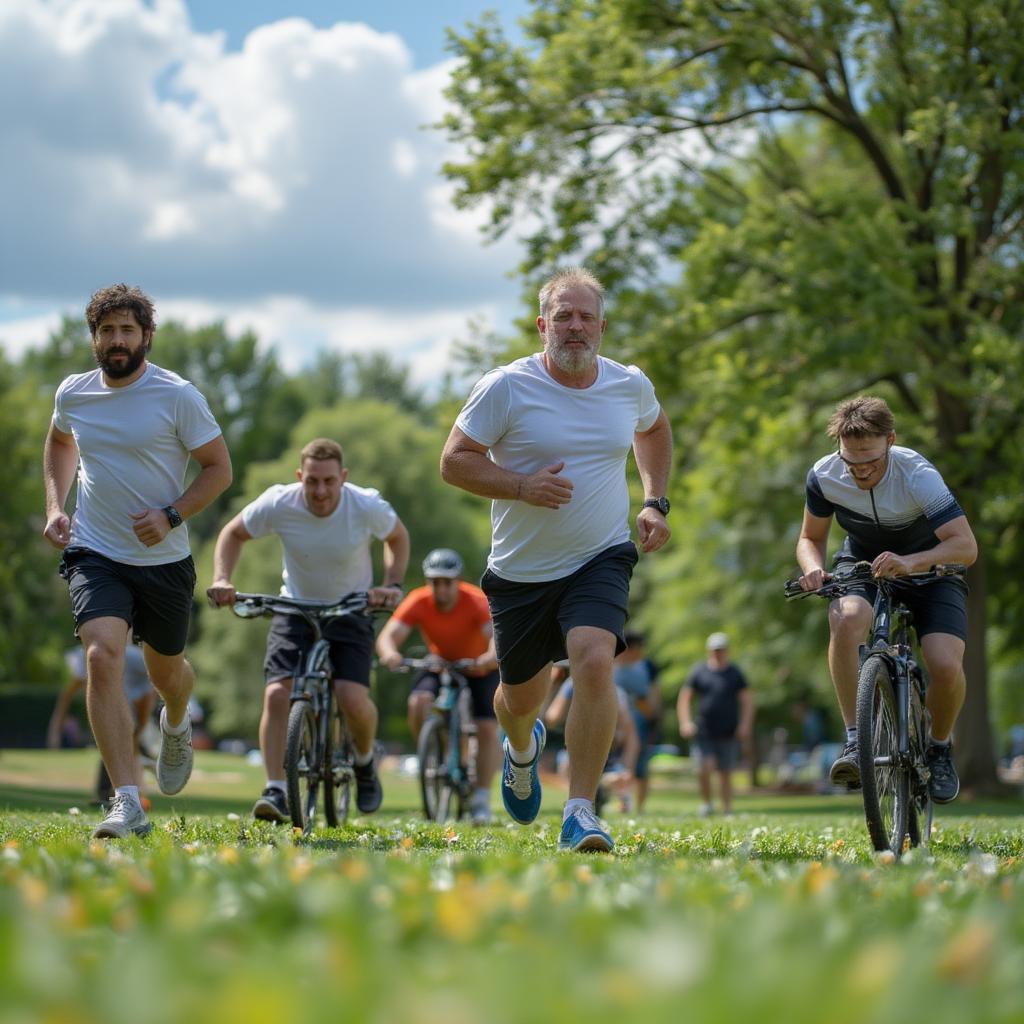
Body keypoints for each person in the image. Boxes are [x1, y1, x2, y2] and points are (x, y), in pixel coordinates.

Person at [440, 266, 673, 852]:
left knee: (596, 659)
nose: (575, 326)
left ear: (602, 326)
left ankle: (580, 810)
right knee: (519, 702)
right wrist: (520, 486)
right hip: (521, 571)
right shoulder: (507, 387)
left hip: (601, 554)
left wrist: (655, 501)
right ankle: (523, 748)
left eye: (585, 316)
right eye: (563, 316)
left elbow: (655, 429)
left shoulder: (628, 384)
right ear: (543, 325)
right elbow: (454, 461)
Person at [42, 283, 232, 839]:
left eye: (127, 329)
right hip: (94, 549)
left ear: (147, 335)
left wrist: (172, 515)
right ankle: (126, 801)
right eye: (107, 331)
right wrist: (57, 505)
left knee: (166, 673)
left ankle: (176, 719)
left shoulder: (177, 396)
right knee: (102, 657)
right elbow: (59, 443)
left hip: (164, 558)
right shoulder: (74, 393)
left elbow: (219, 469)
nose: (117, 340)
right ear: (94, 337)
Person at [207, 437, 409, 823]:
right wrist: (222, 578)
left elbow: (397, 538)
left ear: (343, 478)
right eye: (311, 481)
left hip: (350, 609)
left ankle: (365, 762)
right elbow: (233, 533)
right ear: (300, 476)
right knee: (277, 695)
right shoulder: (280, 502)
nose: (320, 491)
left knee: (352, 698)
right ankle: (276, 789)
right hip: (295, 606)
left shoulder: (364, 504)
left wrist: (393, 584)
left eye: (329, 481)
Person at [795, 396, 978, 802]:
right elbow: (811, 538)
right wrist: (812, 566)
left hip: (932, 566)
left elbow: (965, 546)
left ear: (890, 441)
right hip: (863, 562)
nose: (860, 471)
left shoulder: (918, 475)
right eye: (851, 462)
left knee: (945, 665)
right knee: (846, 618)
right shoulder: (825, 476)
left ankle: (939, 746)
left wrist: (911, 562)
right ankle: (856, 740)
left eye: (871, 462)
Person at [375, 548, 501, 824]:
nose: (440, 588)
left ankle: (480, 798)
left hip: (476, 665)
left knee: (487, 728)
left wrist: (489, 657)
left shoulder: (475, 600)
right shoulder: (418, 600)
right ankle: (432, 749)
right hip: (439, 661)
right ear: (427, 581)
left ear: (458, 581)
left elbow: (493, 637)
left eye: (447, 582)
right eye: (434, 582)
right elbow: (388, 637)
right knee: (418, 701)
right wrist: (390, 654)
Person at [48, 642, 156, 807]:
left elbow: (151, 690)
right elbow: (67, 694)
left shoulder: (137, 662)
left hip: (134, 699)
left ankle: (125, 792)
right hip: (122, 702)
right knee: (117, 743)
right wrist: (55, 729)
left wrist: (141, 725)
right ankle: (112, 795)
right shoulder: (90, 657)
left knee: (125, 744)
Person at [544, 661, 640, 815]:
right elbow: (552, 718)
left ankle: (600, 793)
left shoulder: (612, 692)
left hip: (608, 758)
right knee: (567, 767)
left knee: (617, 779)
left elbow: (631, 737)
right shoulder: (573, 686)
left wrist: (627, 768)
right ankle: (585, 798)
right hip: (576, 755)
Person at [678, 632, 754, 817]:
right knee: (705, 766)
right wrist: (685, 722)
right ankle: (706, 804)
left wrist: (745, 725)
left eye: (721, 650)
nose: (718, 653)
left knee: (726, 771)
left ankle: (727, 808)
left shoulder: (735, 673)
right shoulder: (699, 671)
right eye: (714, 650)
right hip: (704, 729)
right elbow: (685, 698)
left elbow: (747, 700)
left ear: (727, 651)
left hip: (728, 730)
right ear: (709, 651)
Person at [612, 629, 662, 812]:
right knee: (617, 765)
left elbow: (653, 698)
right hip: (614, 726)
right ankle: (623, 802)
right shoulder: (609, 665)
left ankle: (639, 807)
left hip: (641, 724)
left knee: (640, 767)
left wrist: (653, 716)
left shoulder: (647, 667)